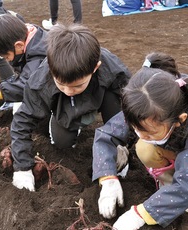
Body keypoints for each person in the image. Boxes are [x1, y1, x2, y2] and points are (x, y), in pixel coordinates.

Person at [92, 52, 188, 230]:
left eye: (149, 133)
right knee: (144, 148)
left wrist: (141, 213)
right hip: (174, 147)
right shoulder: (142, 106)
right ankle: (168, 185)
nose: (141, 135)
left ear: (179, 120)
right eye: (136, 130)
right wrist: (107, 179)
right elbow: (106, 135)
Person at [10, 24, 131, 192]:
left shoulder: (112, 69)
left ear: (95, 67)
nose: (68, 91)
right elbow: (22, 121)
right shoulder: (40, 80)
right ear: (51, 70)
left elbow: (132, 105)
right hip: (64, 107)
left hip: (102, 96)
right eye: (61, 84)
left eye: (76, 86)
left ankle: (118, 149)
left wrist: (124, 140)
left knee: (118, 109)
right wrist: (22, 167)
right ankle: (65, 122)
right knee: (62, 142)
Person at [0, 13, 48, 115]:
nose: (7, 60)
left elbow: (31, 84)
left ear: (18, 45)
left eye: (7, 57)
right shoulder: (30, 36)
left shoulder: (39, 54)